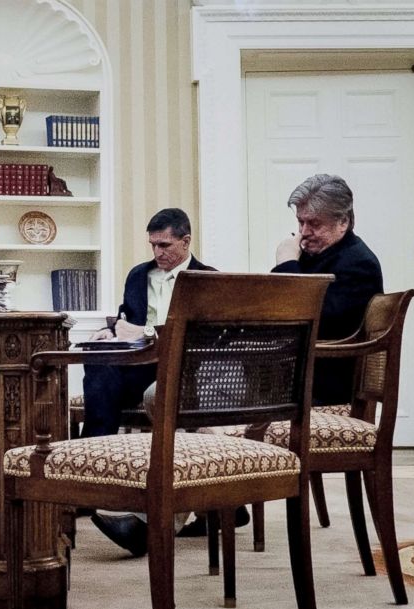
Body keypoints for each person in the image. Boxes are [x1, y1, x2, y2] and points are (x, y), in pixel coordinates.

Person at [82, 209, 246, 556]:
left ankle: (161, 516)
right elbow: (127, 316)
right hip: (141, 365)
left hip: (187, 369)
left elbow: (210, 339)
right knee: (99, 364)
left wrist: (145, 333)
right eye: (153, 245)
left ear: (186, 241)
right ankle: (96, 478)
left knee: (168, 392)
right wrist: (110, 332)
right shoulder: (138, 275)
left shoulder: (209, 280)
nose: (158, 252)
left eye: (166, 244)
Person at [273, 173, 384, 404]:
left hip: (327, 389)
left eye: (314, 223)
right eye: (300, 222)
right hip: (298, 375)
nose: (303, 232)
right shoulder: (314, 255)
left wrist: (287, 264)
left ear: (343, 222)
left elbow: (303, 316)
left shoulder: (358, 263)